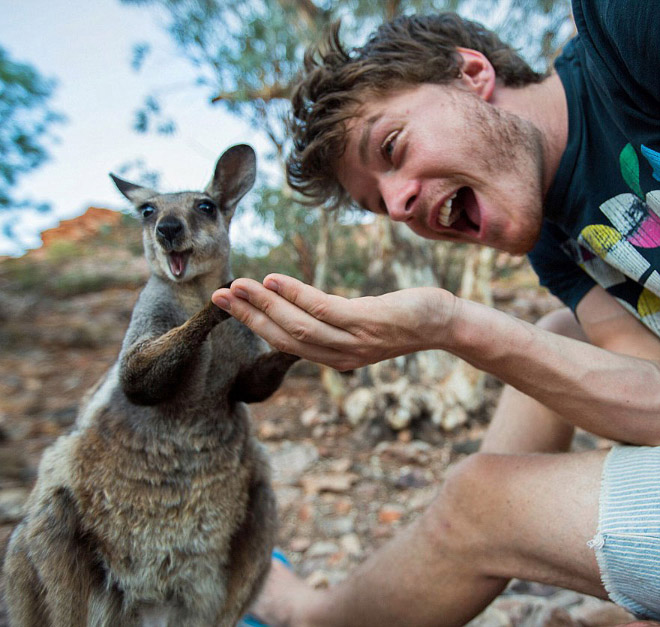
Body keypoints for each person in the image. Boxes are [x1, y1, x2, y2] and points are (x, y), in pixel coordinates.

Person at [212, 1, 660, 625]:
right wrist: (452, 326)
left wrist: (454, 326)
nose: (398, 206)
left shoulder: (627, 38)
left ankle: (310, 620)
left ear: (471, 73)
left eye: (391, 147)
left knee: (483, 502)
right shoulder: (557, 248)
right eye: (379, 204)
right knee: (562, 332)